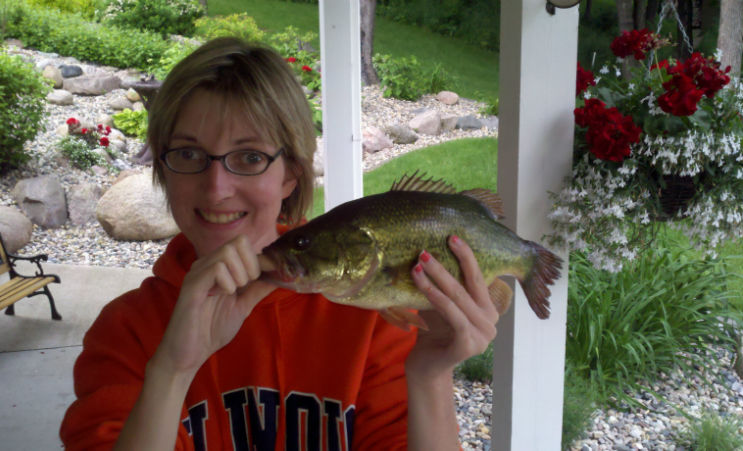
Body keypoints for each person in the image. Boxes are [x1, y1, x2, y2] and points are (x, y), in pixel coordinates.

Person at [60, 37, 499, 451]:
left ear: (291, 174)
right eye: (189, 154)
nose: (217, 189)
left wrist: (430, 377)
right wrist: (172, 370)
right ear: (162, 168)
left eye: (250, 157)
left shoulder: (372, 310)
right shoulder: (126, 332)